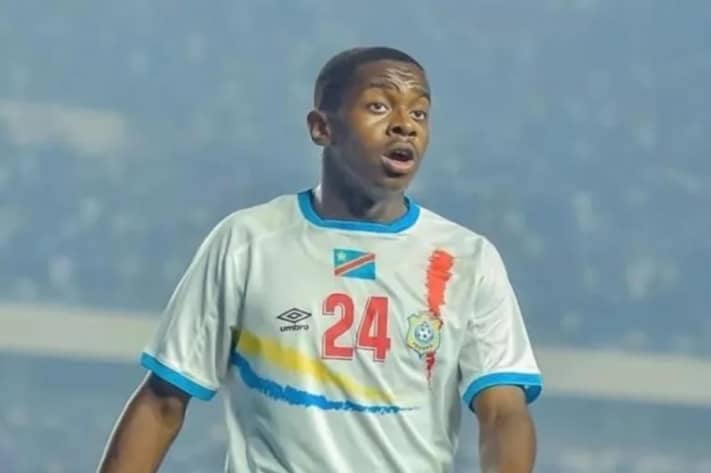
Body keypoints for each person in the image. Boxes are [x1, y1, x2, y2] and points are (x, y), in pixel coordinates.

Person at [97, 46, 543, 473]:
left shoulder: (467, 259)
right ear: (321, 128)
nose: (405, 125)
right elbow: (163, 402)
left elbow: (502, 412)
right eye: (379, 106)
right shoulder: (248, 243)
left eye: (419, 113)